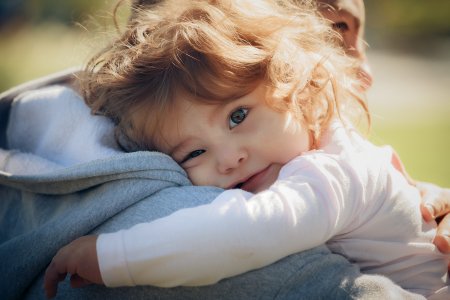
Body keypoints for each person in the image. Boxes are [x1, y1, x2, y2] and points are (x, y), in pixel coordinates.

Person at [42, 0, 449, 298]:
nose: (229, 158)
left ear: (302, 89)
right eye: (192, 154)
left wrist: (114, 257)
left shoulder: (333, 172)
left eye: (238, 117)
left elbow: (242, 235)